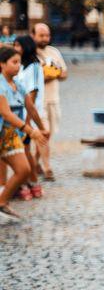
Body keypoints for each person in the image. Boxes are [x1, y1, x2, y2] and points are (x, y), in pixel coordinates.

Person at [0, 46, 48, 222]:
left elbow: (31, 107)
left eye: (19, 62)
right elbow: (6, 113)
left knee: (24, 170)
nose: (18, 66)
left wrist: (42, 128)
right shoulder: (0, 85)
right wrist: (30, 131)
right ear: (2, 64)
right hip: (5, 131)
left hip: (11, 134)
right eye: (13, 62)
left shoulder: (18, 84)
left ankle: (2, 202)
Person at [32, 23, 66, 181]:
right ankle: (47, 168)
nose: (45, 38)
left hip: (54, 99)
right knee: (43, 134)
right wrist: (50, 74)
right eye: (41, 35)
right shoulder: (29, 54)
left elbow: (64, 73)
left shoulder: (54, 52)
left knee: (48, 134)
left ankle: (34, 162)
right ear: (33, 35)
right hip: (38, 102)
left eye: (47, 35)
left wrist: (54, 73)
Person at [14, 36, 46, 199]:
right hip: (19, 115)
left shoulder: (33, 67)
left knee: (25, 152)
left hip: (27, 116)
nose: (16, 48)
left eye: (18, 45)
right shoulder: (20, 66)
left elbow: (32, 95)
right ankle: (26, 183)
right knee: (22, 152)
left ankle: (32, 183)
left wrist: (27, 122)